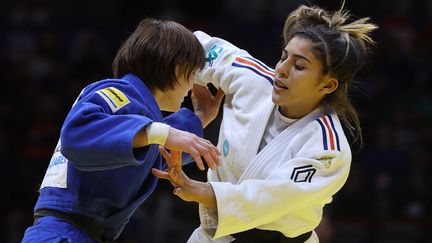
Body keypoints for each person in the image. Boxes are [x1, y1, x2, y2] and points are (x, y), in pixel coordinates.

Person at [153, 4, 377, 243]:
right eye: (283, 57)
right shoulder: (251, 78)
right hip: (214, 237)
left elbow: (271, 196)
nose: (281, 70)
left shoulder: (328, 149)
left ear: (327, 85)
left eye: (299, 66)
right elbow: (186, 46)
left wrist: (196, 189)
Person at [21, 18, 224, 242]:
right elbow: (77, 133)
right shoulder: (117, 93)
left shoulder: (138, 114)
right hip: (62, 233)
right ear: (177, 67)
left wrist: (199, 118)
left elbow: (155, 149)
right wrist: (165, 133)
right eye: (192, 73)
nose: (191, 85)